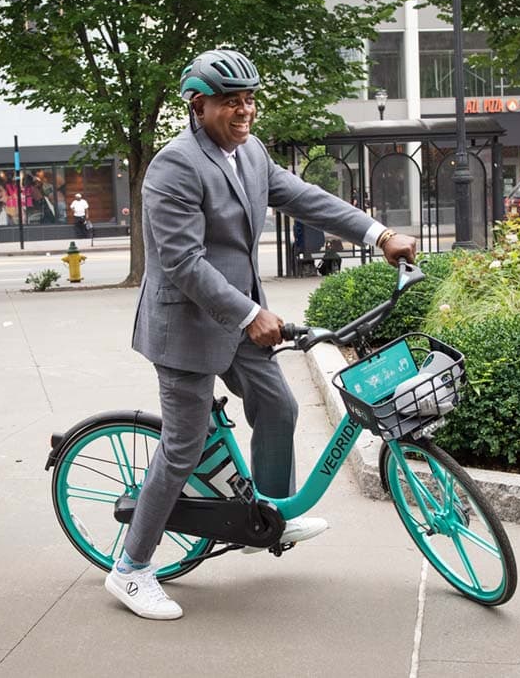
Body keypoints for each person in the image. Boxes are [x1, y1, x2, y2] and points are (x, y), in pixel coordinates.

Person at [110, 49, 416, 620]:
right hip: (187, 327)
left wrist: (378, 234)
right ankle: (130, 570)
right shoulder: (173, 167)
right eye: (231, 101)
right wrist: (250, 313)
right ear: (197, 105)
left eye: (250, 99)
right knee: (182, 449)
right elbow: (181, 261)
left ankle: (268, 514)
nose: (245, 110)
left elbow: (304, 198)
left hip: (239, 319)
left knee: (279, 406)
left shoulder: (250, 152)